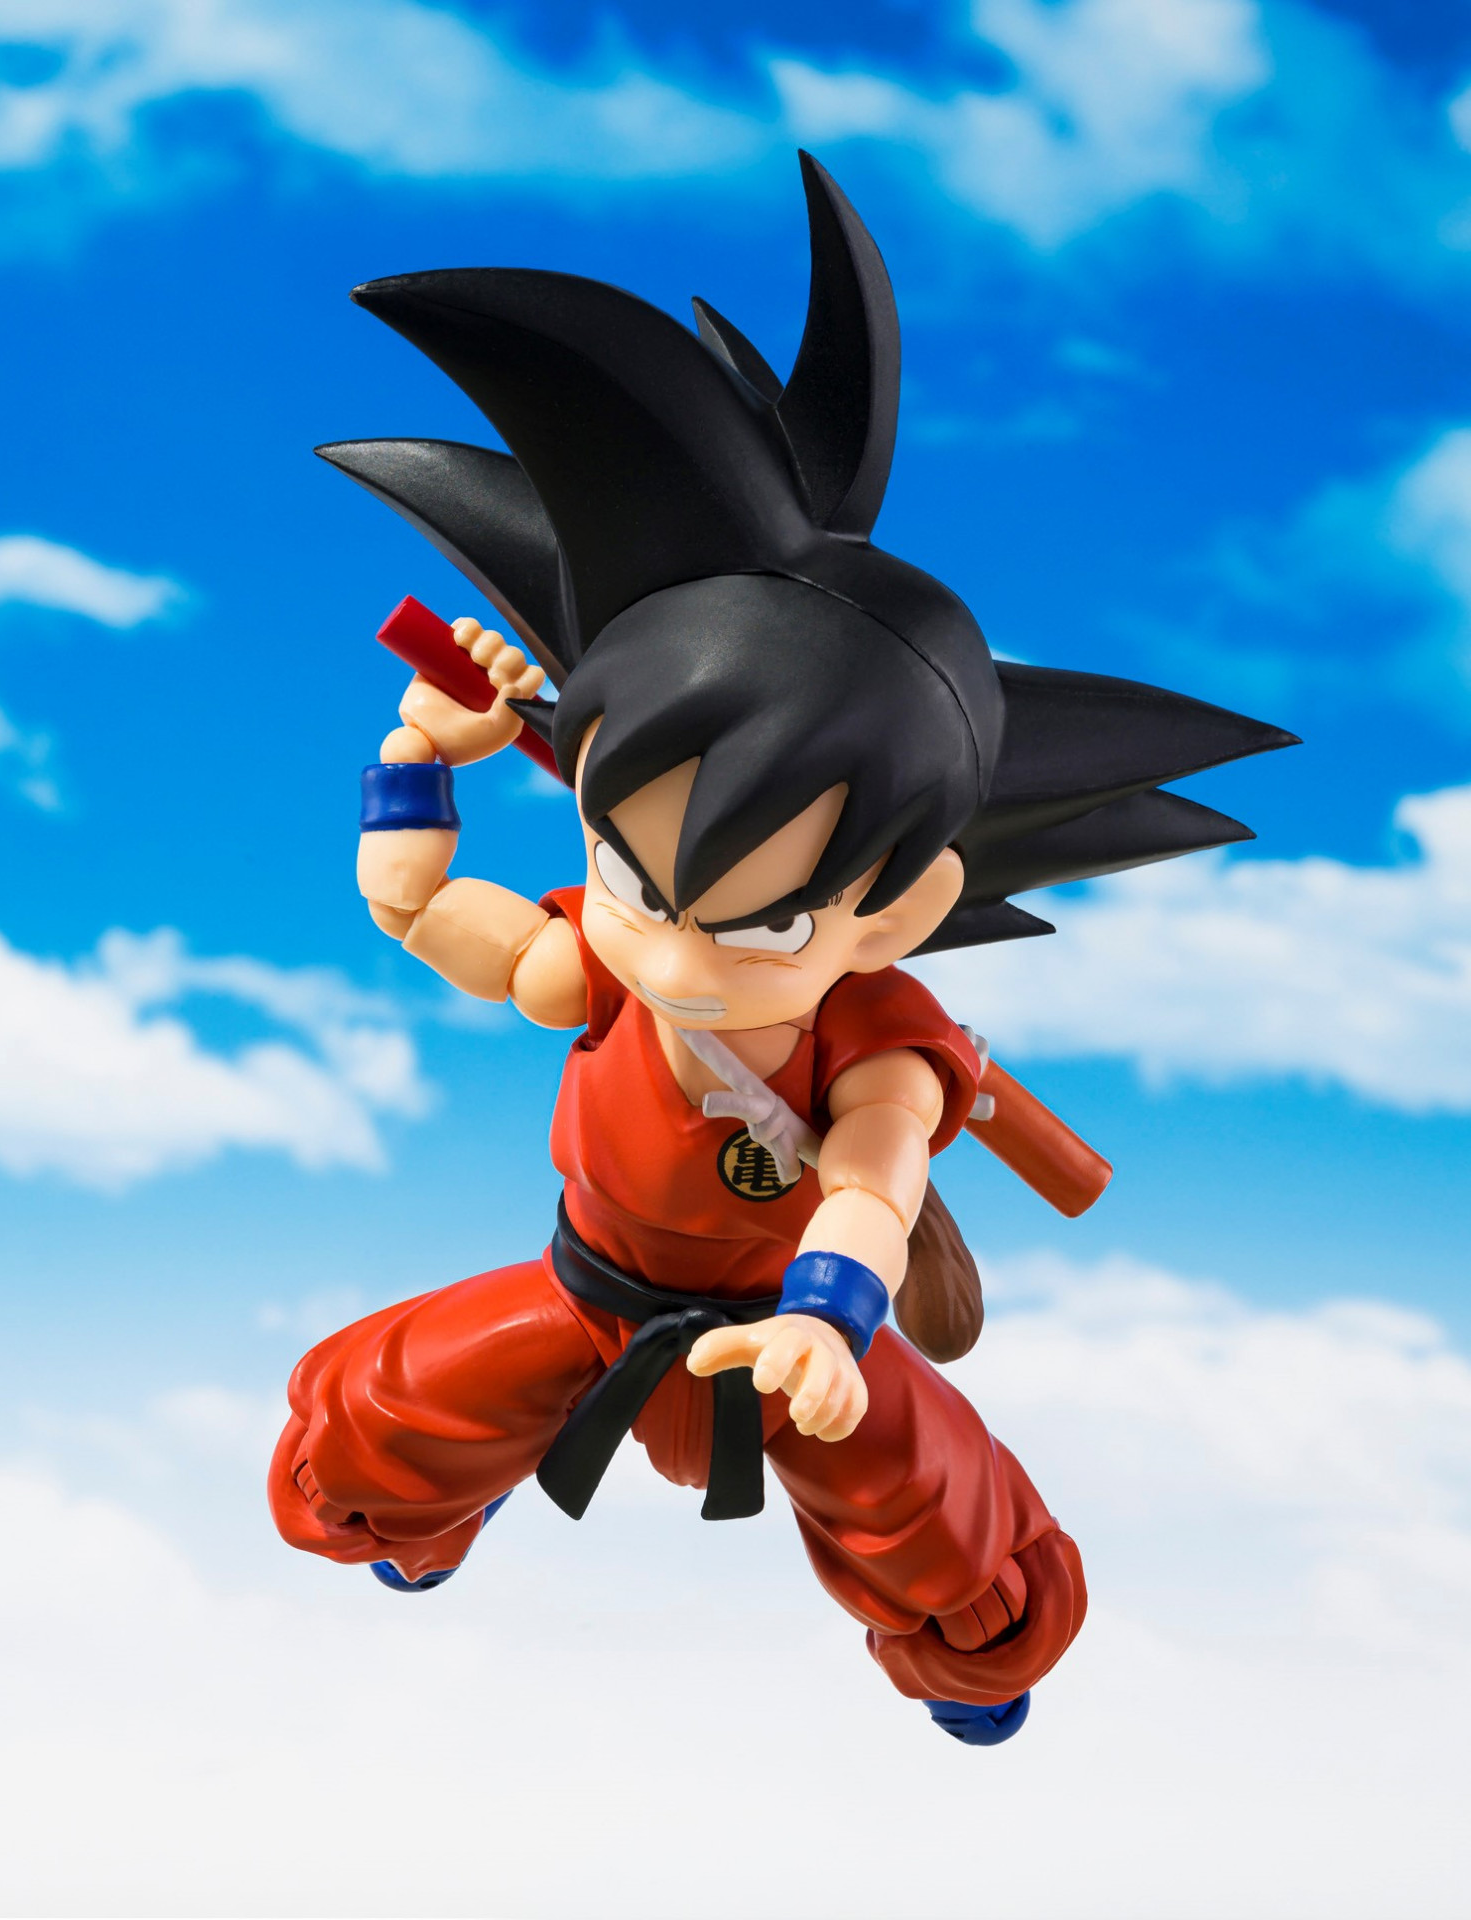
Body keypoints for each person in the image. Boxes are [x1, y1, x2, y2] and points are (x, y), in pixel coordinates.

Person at [268, 154, 1294, 1746]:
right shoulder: (608, 965)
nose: (676, 950)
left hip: (799, 1340)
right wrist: (419, 756)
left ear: (891, 910)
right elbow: (422, 914)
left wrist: (825, 1319)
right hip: (587, 1298)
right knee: (376, 1417)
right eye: (634, 871)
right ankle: (420, 1522)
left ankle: (976, 1666)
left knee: (935, 1526)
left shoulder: (873, 1037)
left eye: (757, 917)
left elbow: (874, 1183)